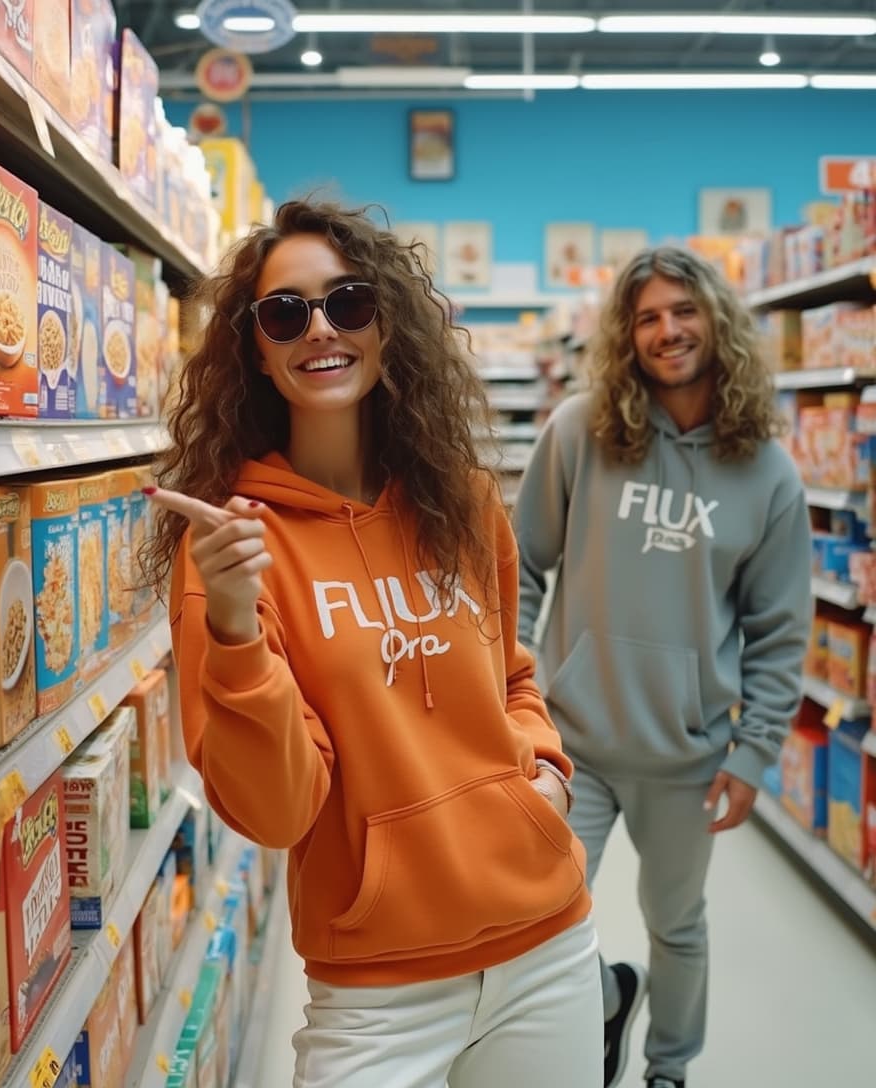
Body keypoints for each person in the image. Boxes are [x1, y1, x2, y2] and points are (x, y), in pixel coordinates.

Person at [142, 198, 603, 1088]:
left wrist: (542, 773)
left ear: (388, 329)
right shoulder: (235, 548)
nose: (321, 329)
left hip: (547, 946)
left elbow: (511, 669)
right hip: (379, 993)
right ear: (258, 352)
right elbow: (276, 812)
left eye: (348, 302)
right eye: (286, 313)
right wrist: (235, 628)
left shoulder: (460, 499)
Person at [513, 245, 811, 1088]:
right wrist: (520, 697)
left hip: (689, 754)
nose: (667, 330)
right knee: (536, 913)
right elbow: (520, 566)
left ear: (716, 319)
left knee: (677, 925)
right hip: (574, 744)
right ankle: (600, 1002)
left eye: (682, 311)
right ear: (626, 335)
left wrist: (753, 754)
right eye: (646, 317)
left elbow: (780, 631)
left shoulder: (769, 472)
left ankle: (667, 1070)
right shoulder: (581, 428)